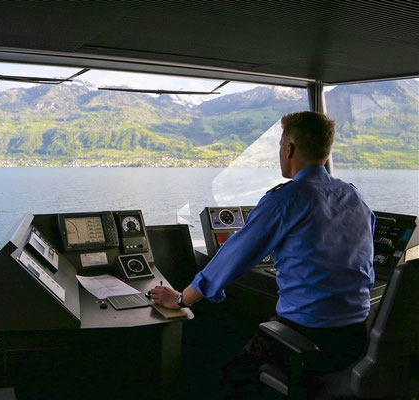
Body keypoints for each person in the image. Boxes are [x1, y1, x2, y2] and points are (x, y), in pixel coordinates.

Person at [151, 111, 375, 393]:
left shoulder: (285, 200)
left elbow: (232, 257)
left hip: (305, 340)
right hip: (356, 338)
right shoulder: (355, 196)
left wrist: (182, 298)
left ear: (288, 148)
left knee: (219, 381)